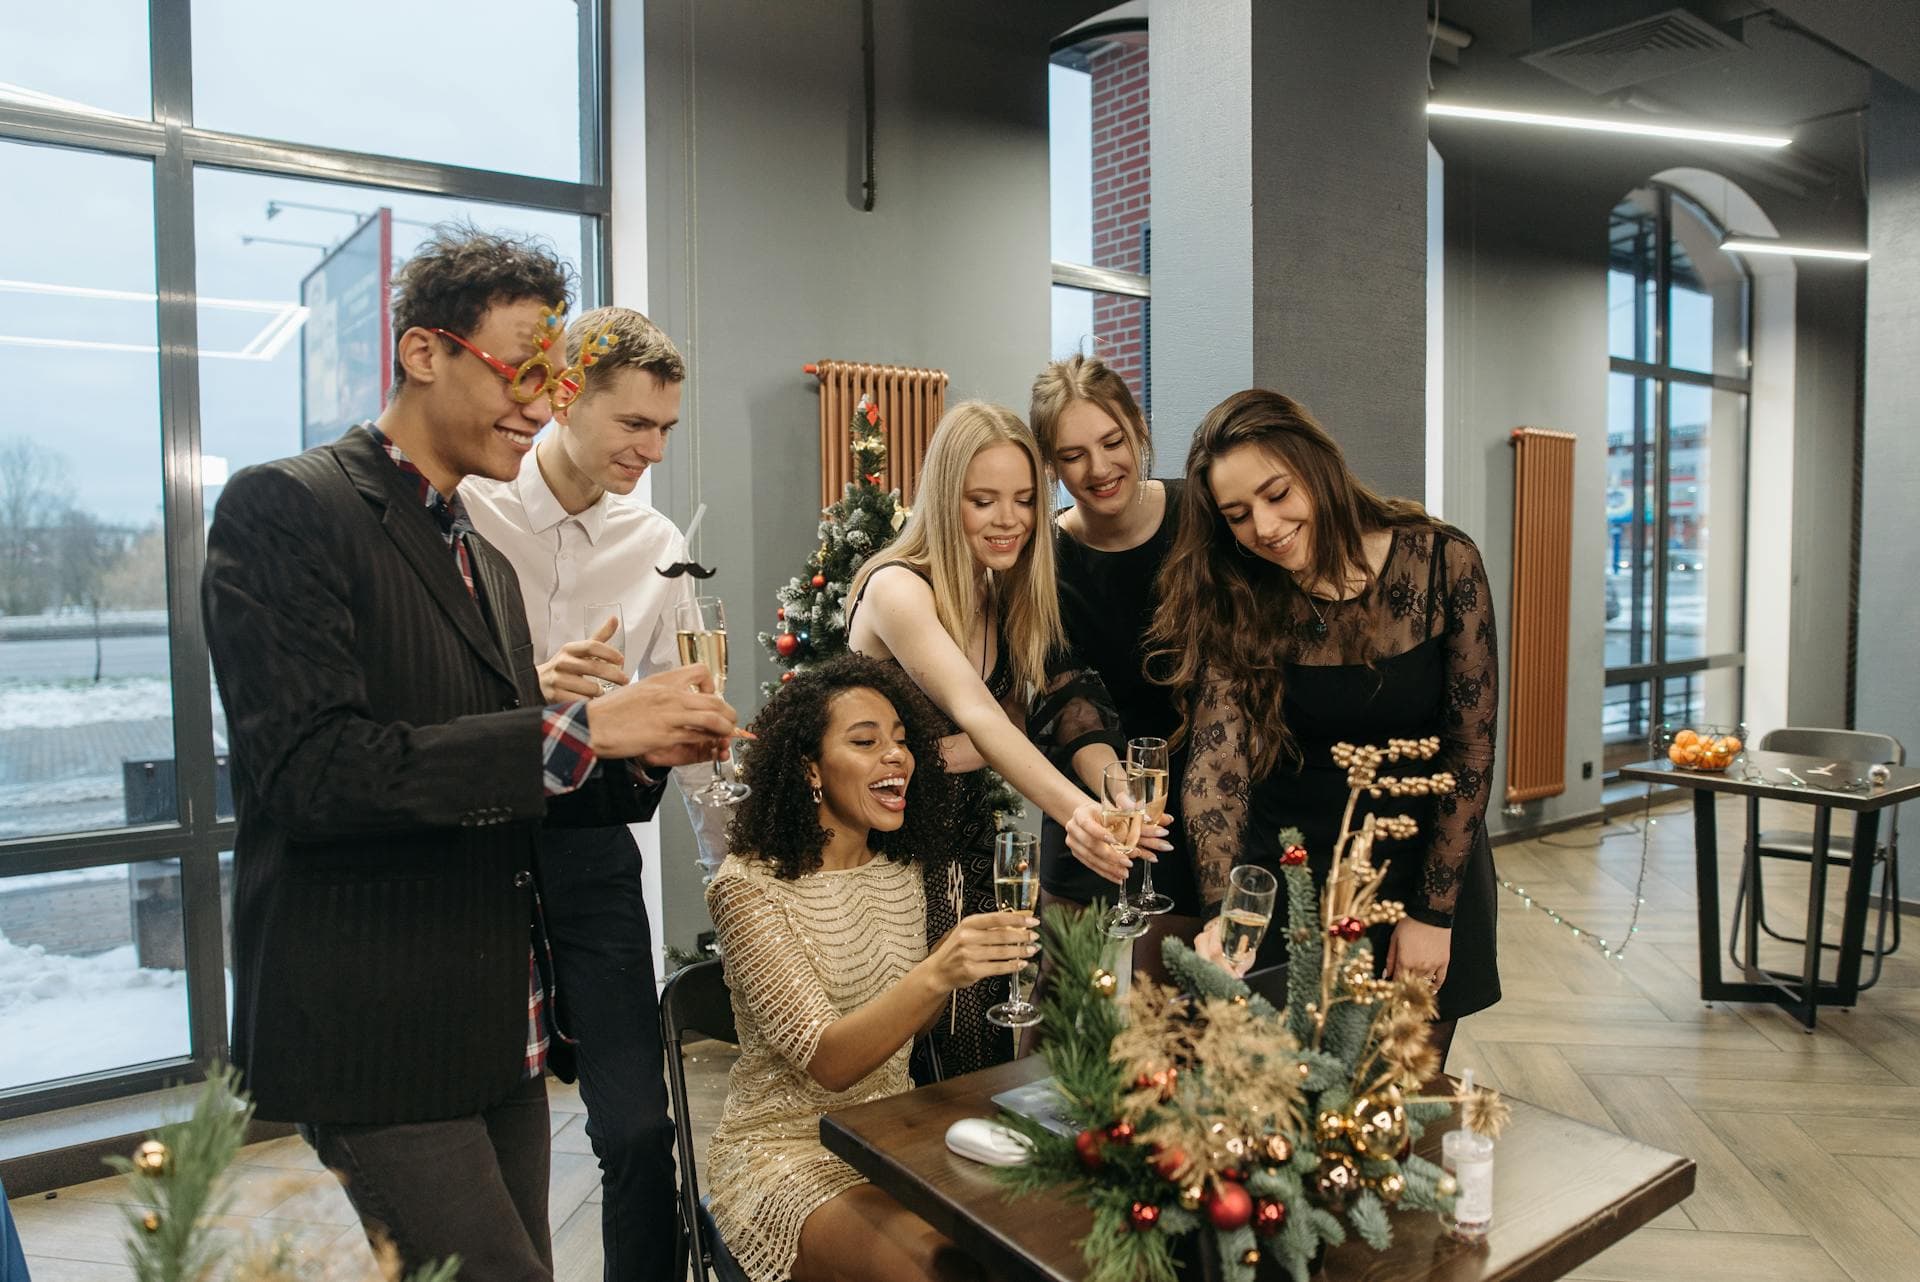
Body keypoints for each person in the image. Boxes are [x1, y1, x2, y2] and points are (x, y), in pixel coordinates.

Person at [202, 227, 738, 1282]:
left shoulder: (477, 558)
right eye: (519, 373)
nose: (539, 404)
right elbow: (314, 773)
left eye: (551, 378)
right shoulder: (290, 508)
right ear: (421, 353)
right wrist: (585, 728)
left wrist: (641, 747)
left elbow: (485, 762)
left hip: (499, 1023)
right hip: (376, 1030)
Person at [464, 305, 724, 1282]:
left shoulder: (657, 540)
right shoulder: (474, 512)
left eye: (666, 430)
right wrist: (541, 695)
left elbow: (689, 733)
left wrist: (736, 878)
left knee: (639, 1124)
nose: (651, 451)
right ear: (567, 396)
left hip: (591, 855)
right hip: (476, 854)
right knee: (504, 1139)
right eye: (634, 426)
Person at [1148, 389, 1500, 1060]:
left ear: (1318, 466)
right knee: (1277, 1112)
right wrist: (1232, 914)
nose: (1266, 527)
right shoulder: (1239, 589)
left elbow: (1471, 750)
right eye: (1239, 514)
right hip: (1290, 879)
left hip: (1421, 868)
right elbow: (1214, 772)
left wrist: (1432, 914)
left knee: (1393, 1122)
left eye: (1277, 493)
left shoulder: (1439, 561)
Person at [844, 401, 1149, 1079]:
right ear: (945, 498)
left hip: (969, 850)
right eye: (983, 501)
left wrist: (940, 756)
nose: (1008, 519)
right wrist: (1081, 813)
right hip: (888, 864)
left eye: (1022, 500)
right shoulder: (898, 586)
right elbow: (978, 715)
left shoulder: (1002, 589)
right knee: (899, 1074)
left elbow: (1013, 720)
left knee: (975, 1066)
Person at [705, 654, 1026, 1282]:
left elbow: (906, 1026)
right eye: (864, 741)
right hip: (786, 1152)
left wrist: (964, 974)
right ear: (810, 770)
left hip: (894, 1137)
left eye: (901, 742)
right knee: (943, 1269)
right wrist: (940, 971)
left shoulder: (902, 873)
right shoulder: (749, 888)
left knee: (1022, 1235)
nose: (896, 757)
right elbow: (829, 1061)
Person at [1028, 355, 1199, 977]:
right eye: (1073, 455)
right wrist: (1115, 797)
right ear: (1049, 464)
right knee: (1065, 1022)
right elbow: (1066, 692)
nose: (1099, 469)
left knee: (1169, 1020)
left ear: (1138, 429)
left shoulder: (1200, 521)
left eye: (1112, 441)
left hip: (1193, 803)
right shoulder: (1041, 557)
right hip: (1089, 795)